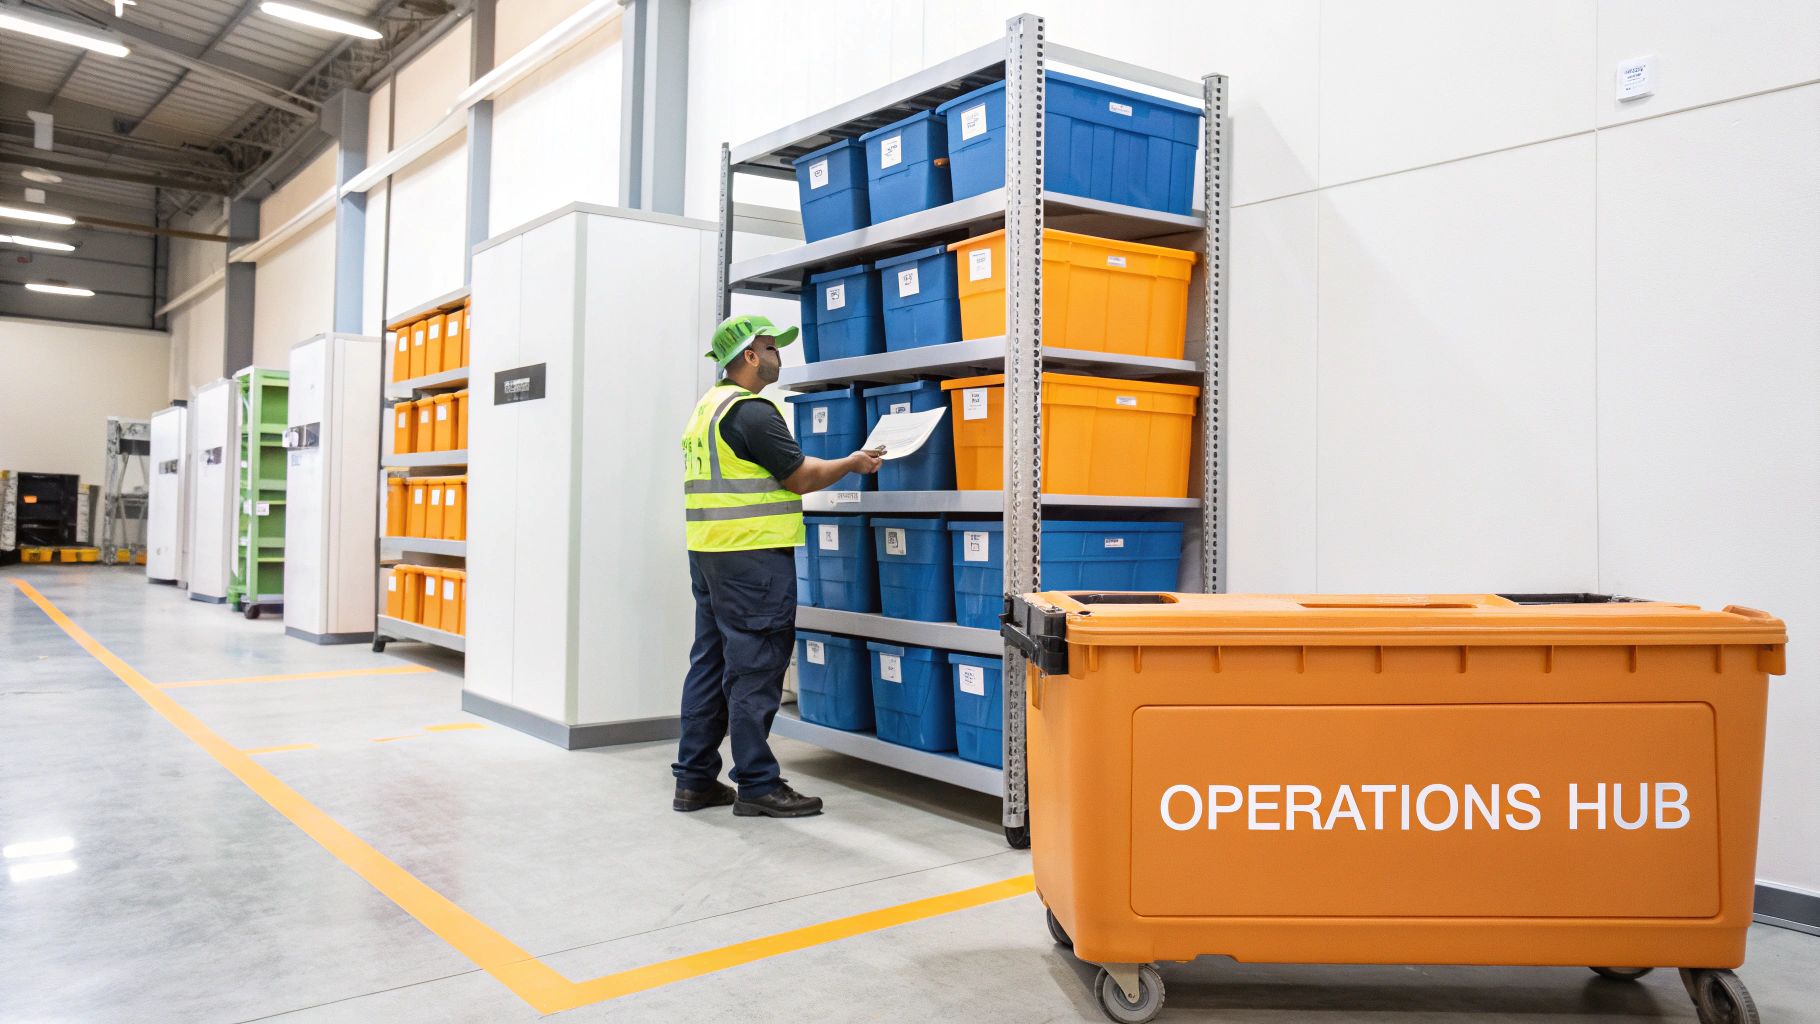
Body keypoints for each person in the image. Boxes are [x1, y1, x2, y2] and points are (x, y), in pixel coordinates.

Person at [673, 314, 883, 817]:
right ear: (749, 355)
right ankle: (758, 784)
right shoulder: (752, 412)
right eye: (771, 347)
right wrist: (852, 463)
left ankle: (695, 780)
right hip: (753, 559)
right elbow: (801, 477)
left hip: (710, 554)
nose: (778, 355)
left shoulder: (705, 409)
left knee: (710, 664)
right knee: (756, 669)